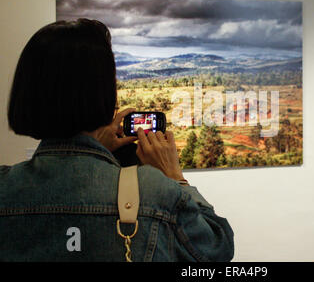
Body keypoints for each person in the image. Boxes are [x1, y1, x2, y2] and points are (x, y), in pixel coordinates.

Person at [0, 19, 234, 262]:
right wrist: (174, 176)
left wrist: (98, 150)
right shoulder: (155, 192)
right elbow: (217, 249)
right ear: (104, 91)